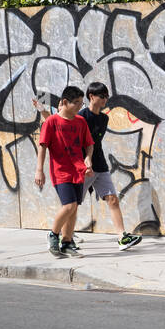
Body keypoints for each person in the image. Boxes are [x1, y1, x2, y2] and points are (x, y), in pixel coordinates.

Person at [79, 82, 143, 251]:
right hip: (82, 167)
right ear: (92, 97)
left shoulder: (104, 118)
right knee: (72, 203)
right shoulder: (80, 118)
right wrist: (84, 164)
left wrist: (93, 161)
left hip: (100, 165)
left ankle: (122, 237)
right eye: (102, 96)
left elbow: (95, 142)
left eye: (107, 96)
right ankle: (62, 236)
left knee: (112, 199)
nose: (106, 99)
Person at [34, 84, 93, 258]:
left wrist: (88, 159)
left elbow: (89, 144)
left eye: (82, 103)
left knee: (74, 209)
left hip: (78, 171)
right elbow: (42, 147)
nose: (80, 107)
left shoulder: (81, 122)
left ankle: (67, 242)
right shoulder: (51, 122)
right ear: (65, 102)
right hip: (60, 171)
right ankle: (53, 234)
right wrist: (39, 170)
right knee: (69, 205)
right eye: (77, 103)